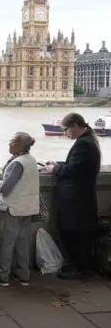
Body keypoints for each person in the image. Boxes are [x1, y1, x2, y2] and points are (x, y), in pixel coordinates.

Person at [44, 113, 101, 279]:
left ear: (75, 126)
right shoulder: (88, 140)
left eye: (66, 129)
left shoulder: (84, 144)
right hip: (81, 198)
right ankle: (80, 266)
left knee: (73, 233)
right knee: (77, 234)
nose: (65, 133)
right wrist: (58, 163)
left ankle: (80, 269)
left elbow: (73, 170)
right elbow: (77, 165)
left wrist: (53, 170)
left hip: (77, 199)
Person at [0, 132, 40, 287]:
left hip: (13, 208)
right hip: (28, 208)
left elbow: (5, 189)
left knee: (7, 242)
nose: (9, 144)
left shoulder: (17, 163)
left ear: (21, 145)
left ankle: (3, 276)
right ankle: (23, 275)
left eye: (13, 142)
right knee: (22, 242)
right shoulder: (31, 161)